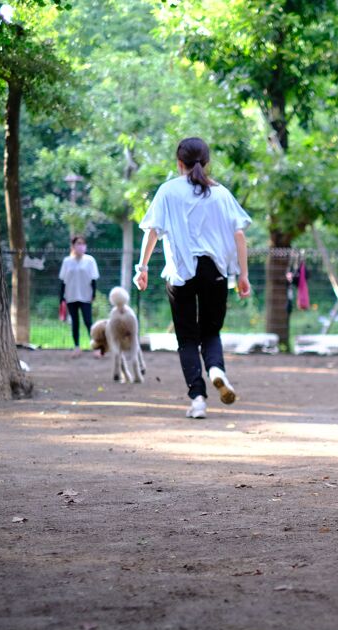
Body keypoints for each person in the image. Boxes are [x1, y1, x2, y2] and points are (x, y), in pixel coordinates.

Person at [133, 137, 251, 419]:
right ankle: (216, 369)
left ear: (179, 162)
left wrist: (142, 267)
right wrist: (243, 275)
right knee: (210, 332)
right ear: (206, 162)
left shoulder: (168, 191)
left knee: (186, 338)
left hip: (180, 273)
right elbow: (239, 235)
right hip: (215, 272)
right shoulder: (221, 193)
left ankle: (198, 399)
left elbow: (152, 232)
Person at [58, 234, 99, 356]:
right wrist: (61, 298)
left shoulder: (90, 260)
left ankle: (96, 347)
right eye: (78, 243)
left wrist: (93, 294)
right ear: (73, 246)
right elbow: (63, 281)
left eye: (83, 243)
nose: (81, 246)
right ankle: (76, 347)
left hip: (86, 296)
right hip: (71, 296)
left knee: (88, 321)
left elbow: (94, 279)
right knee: (74, 322)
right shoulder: (67, 261)